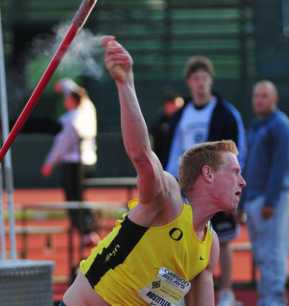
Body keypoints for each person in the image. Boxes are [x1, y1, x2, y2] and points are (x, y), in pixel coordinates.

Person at [58, 36, 246, 306]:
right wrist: (125, 83)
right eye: (235, 171)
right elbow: (141, 155)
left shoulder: (209, 246)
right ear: (208, 174)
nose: (243, 181)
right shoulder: (167, 199)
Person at [166, 55, 246, 306]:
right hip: (187, 190)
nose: (200, 83)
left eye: (204, 78)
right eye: (195, 78)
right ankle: (181, 294)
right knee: (182, 240)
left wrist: (235, 187)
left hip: (217, 187)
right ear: (189, 82)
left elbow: (238, 151)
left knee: (222, 240)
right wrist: (170, 183)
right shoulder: (181, 115)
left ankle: (226, 293)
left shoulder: (226, 113)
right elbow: (173, 152)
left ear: (210, 81)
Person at [239, 81, 289, 306]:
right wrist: (241, 201)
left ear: (275, 99)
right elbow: (247, 165)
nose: (259, 100)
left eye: (264, 96)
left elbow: (280, 166)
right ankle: (267, 299)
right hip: (253, 197)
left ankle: (274, 301)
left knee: (273, 253)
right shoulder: (255, 125)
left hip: (271, 199)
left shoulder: (281, 125)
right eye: (256, 96)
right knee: (261, 253)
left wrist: (270, 201)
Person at [41, 79, 99, 247]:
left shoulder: (72, 120)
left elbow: (62, 144)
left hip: (74, 164)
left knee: (73, 200)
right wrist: (64, 83)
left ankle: (86, 232)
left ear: (73, 100)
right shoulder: (89, 108)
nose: (65, 100)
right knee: (80, 197)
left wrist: (49, 162)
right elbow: (78, 93)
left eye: (67, 97)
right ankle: (89, 230)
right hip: (89, 161)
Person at [151, 91, 184, 167]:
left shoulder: (181, 120)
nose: (175, 107)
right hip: (162, 162)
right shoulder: (160, 123)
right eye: (172, 104)